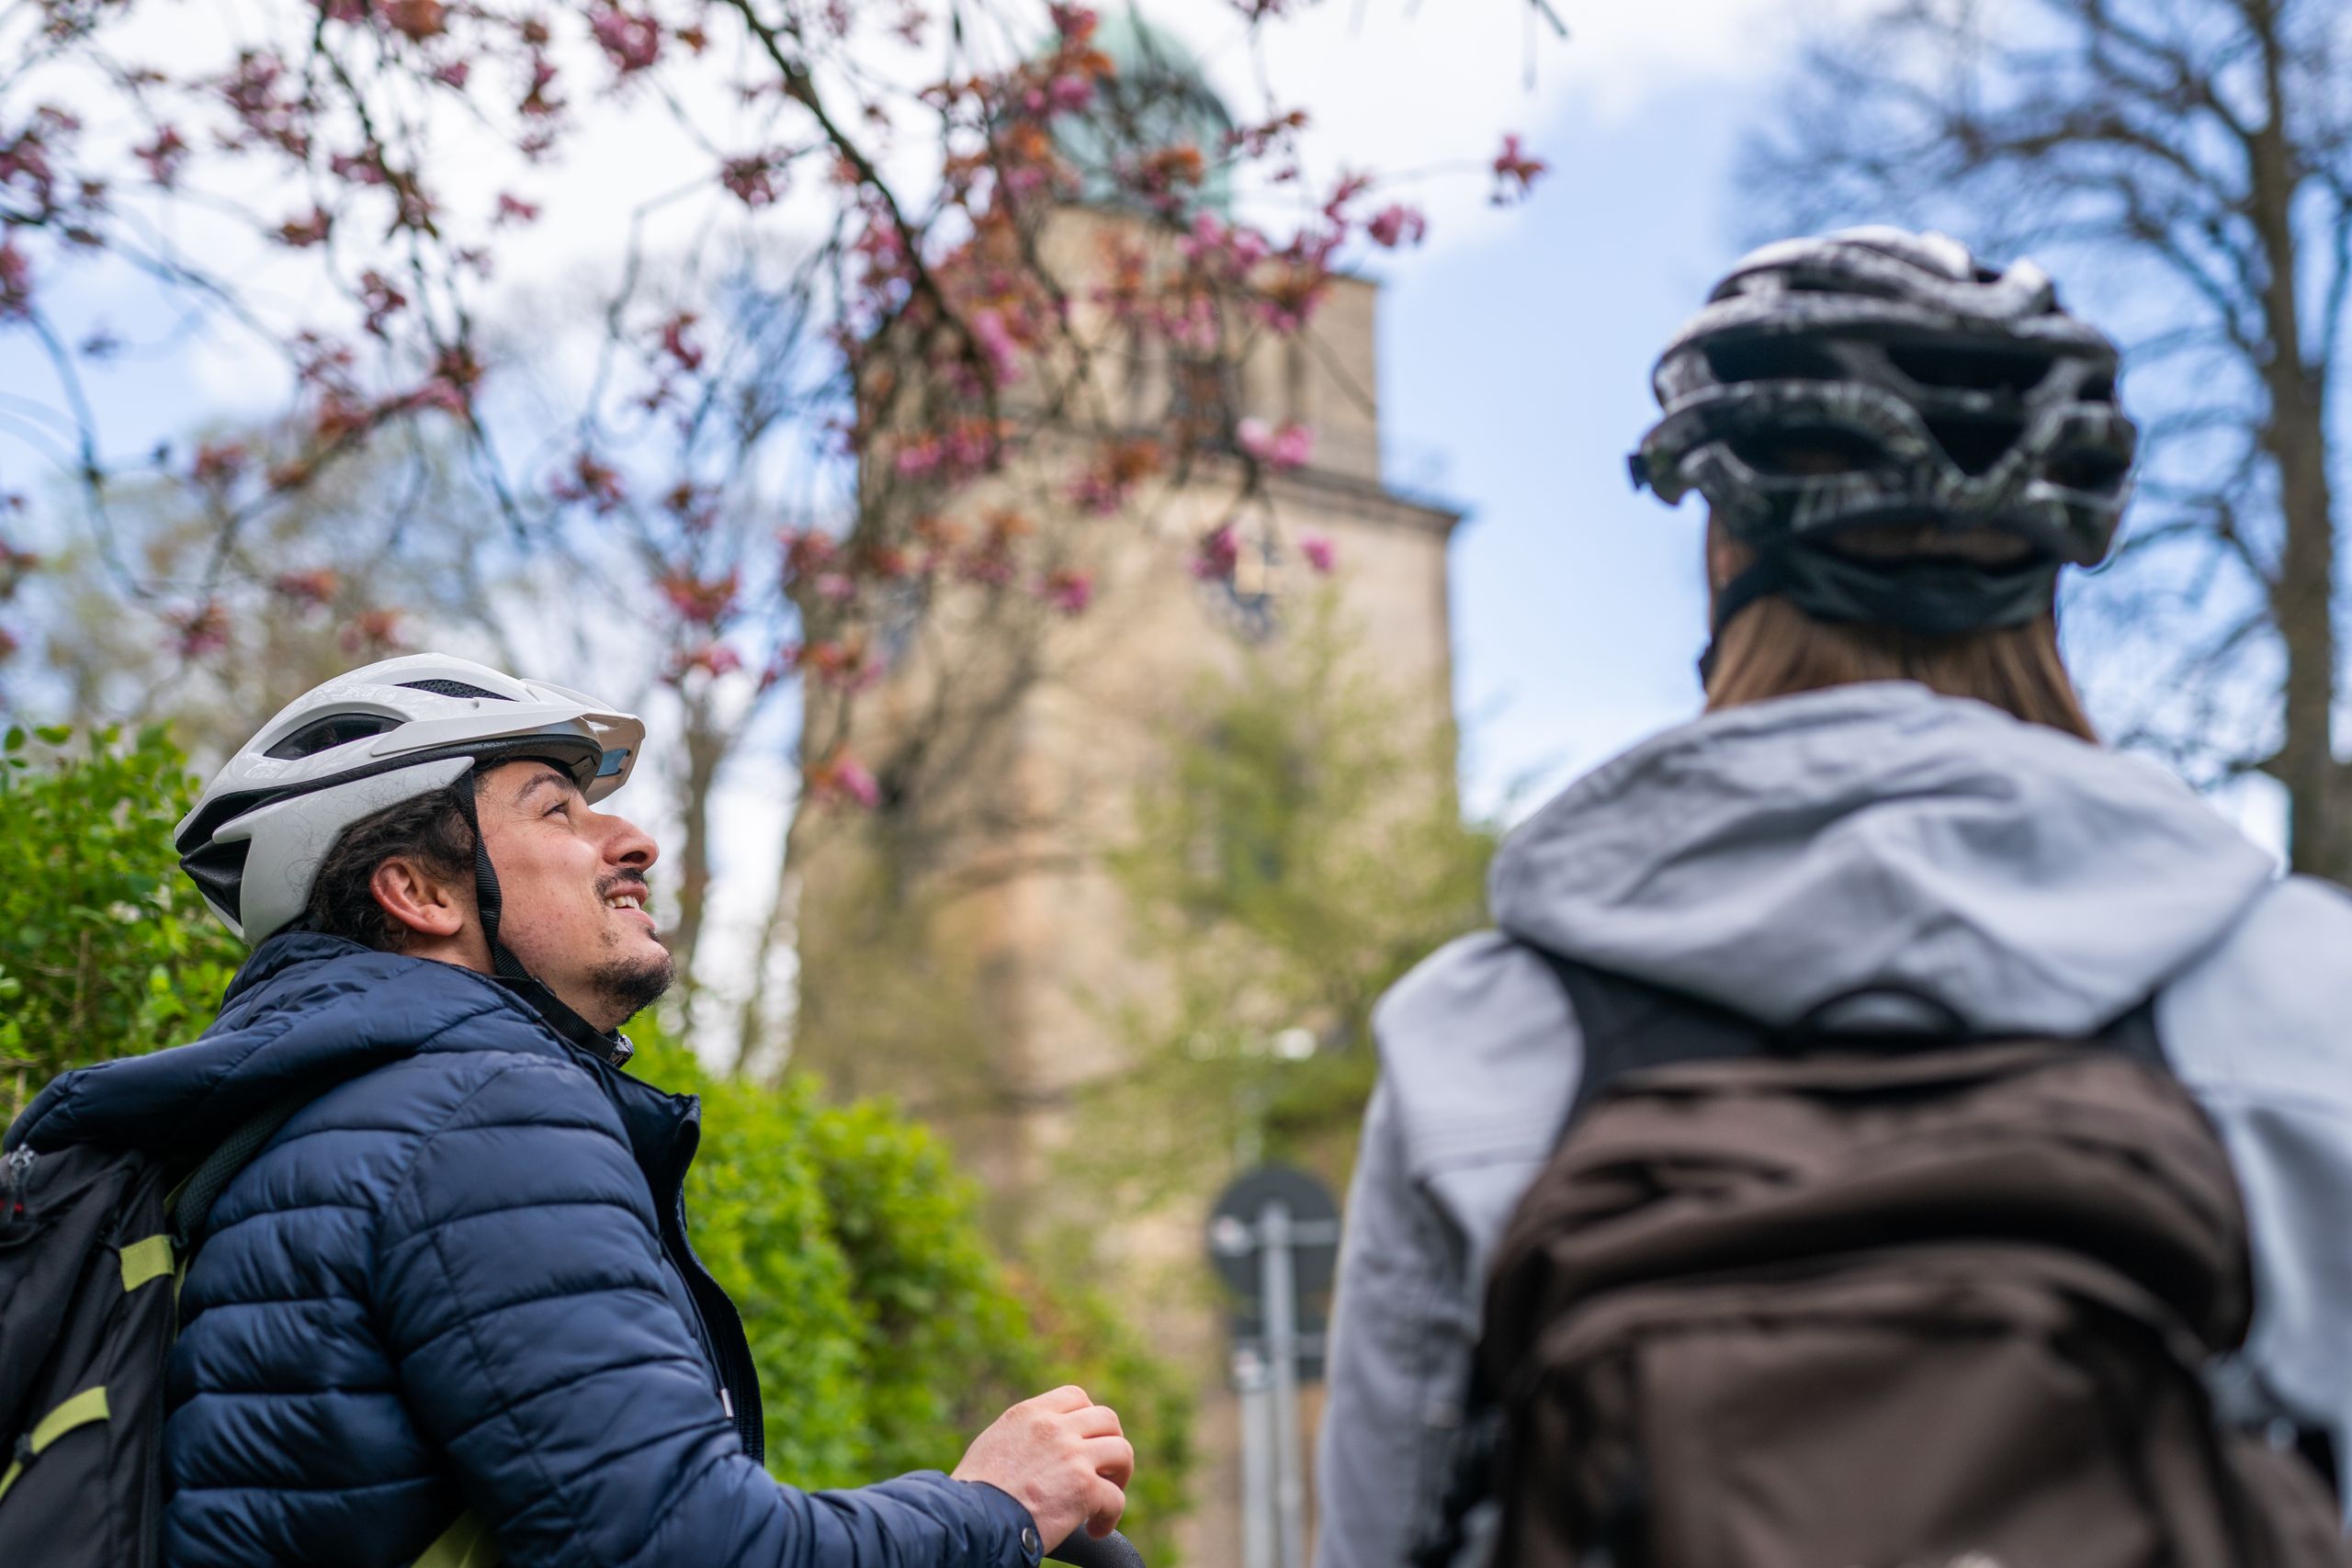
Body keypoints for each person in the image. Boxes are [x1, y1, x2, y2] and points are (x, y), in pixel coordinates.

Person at [1311, 228, 2352, 1566]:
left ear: (1726, 550)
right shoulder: (2298, 995)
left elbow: (1381, 1539)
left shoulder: (1478, 1038)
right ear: (2050, 565)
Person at [6, 654, 1133, 1568]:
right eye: (558, 809)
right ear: (422, 893)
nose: (630, 839)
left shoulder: (288, 1124)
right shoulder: (476, 1112)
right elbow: (678, 1548)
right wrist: (993, 1505)